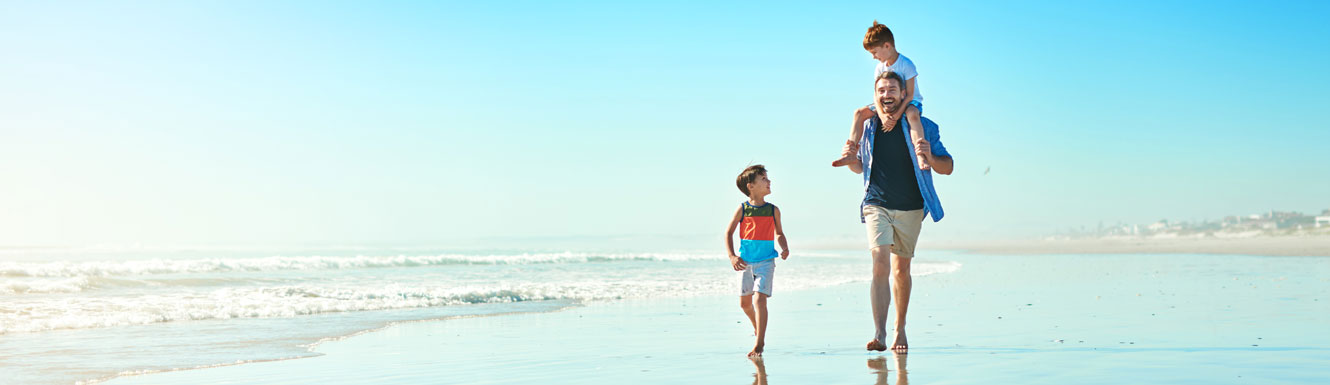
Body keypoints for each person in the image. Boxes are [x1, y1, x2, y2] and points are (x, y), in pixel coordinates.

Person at [841, 70, 954, 352]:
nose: (886, 95)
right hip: (876, 202)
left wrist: (929, 155)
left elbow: (948, 167)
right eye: (881, 90)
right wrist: (852, 158)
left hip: (911, 207)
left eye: (892, 89)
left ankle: (899, 329)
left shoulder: (924, 125)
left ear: (904, 94)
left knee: (901, 269)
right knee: (879, 262)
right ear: (875, 95)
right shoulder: (868, 127)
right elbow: (859, 168)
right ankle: (878, 333)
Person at [833, 21, 931, 171]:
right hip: (886, 103)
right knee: (858, 113)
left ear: (887, 46)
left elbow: (910, 95)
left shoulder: (906, 64)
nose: (873, 57)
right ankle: (851, 152)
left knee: (912, 114)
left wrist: (897, 115)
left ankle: (921, 155)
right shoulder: (880, 68)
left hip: (909, 102)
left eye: (874, 52)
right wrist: (883, 116)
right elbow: (876, 96)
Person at [724, 164, 790, 358]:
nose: (769, 182)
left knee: (759, 299)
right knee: (745, 304)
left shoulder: (773, 210)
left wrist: (784, 247)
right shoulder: (743, 209)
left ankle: (759, 342)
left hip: (766, 261)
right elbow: (728, 232)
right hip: (745, 262)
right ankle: (757, 327)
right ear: (750, 186)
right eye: (764, 179)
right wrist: (732, 256)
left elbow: (779, 233)